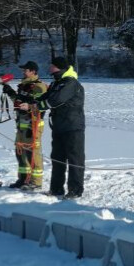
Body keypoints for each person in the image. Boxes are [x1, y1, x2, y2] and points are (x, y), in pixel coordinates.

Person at [36, 57, 86, 199]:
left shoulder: (71, 83)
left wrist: (37, 106)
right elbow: (44, 97)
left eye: (52, 65)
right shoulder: (56, 83)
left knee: (75, 159)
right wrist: (28, 102)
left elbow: (56, 100)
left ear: (59, 67)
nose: (50, 67)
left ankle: (75, 190)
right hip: (58, 126)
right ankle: (56, 189)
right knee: (57, 158)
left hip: (73, 127)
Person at [2, 61, 49, 191]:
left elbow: (40, 107)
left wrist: (28, 108)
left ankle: (36, 182)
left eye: (26, 70)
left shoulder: (39, 87)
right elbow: (18, 102)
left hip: (33, 125)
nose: (23, 72)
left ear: (33, 71)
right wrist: (10, 92)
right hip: (21, 125)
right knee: (20, 152)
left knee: (33, 153)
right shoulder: (24, 85)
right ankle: (23, 178)